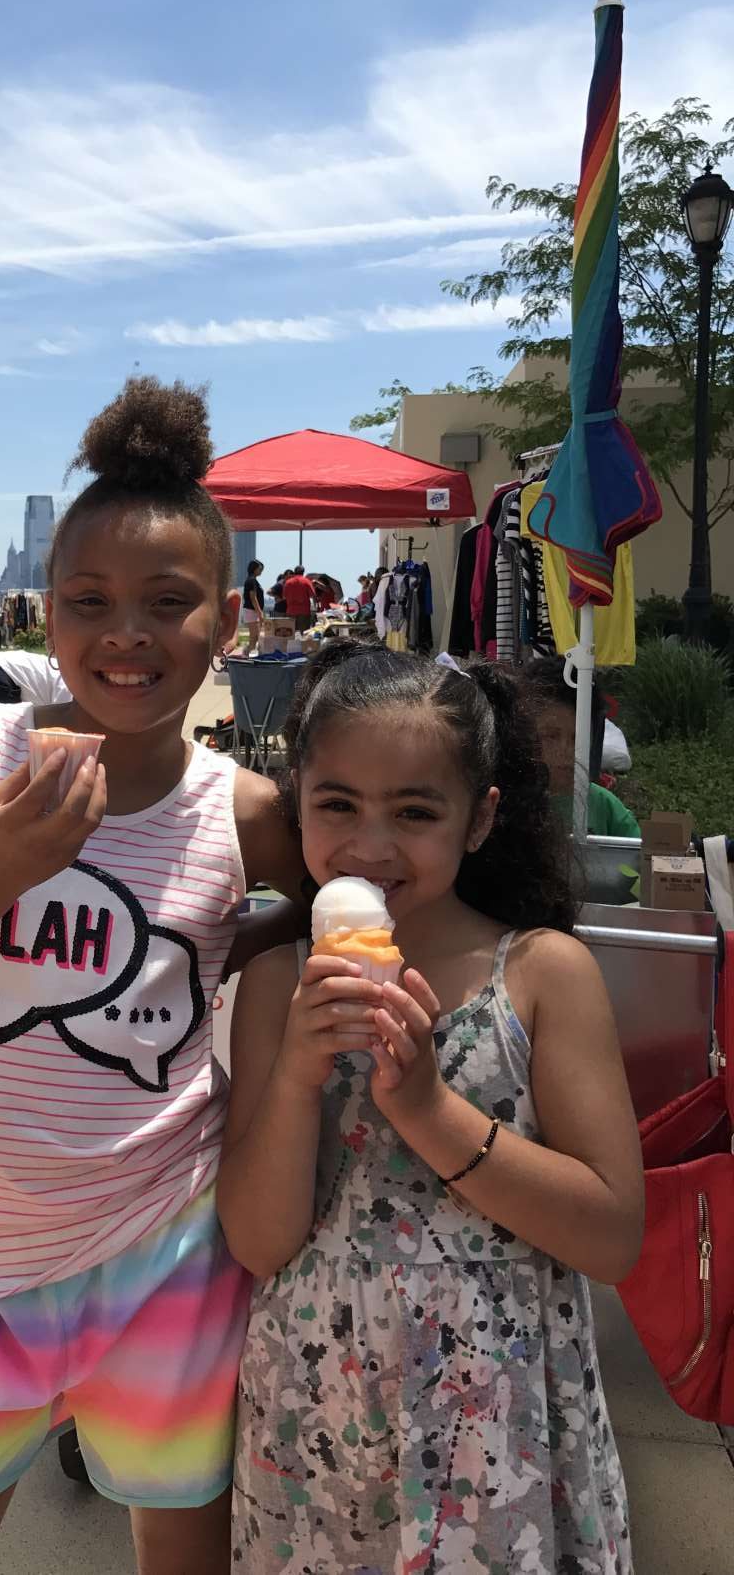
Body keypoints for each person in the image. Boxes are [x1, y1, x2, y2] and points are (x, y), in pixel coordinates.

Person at [0, 375, 311, 1575]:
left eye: (167, 601)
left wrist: (225, 950)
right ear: (47, 616)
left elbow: (291, 934)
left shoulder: (243, 812)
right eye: (88, 601)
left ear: (227, 623)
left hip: (166, 1263)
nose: (124, 634)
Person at [218, 644, 641, 1571]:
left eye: (415, 811)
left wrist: (428, 1108)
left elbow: (612, 1234)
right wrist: (294, 1074)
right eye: (338, 805)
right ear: (298, 803)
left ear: (479, 819)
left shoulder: (540, 975)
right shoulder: (272, 985)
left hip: (503, 1429)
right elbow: (256, 1241)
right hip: (315, 1419)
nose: (371, 845)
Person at [520, 656, 641, 839]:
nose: (566, 750)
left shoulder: (606, 808)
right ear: (524, 732)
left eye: (578, 738)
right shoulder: (508, 804)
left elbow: (638, 859)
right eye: (551, 736)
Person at [239, 559, 265, 654]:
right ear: (254, 569)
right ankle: (246, 655)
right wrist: (260, 613)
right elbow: (253, 598)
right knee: (254, 637)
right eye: (260, 569)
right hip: (251, 611)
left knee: (255, 637)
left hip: (252, 611)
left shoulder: (252, 580)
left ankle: (247, 654)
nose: (261, 571)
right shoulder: (251, 580)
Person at [281, 565, 315, 632]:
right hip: (304, 611)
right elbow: (312, 595)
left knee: (290, 633)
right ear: (303, 572)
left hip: (291, 611)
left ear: (294, 572)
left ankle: (291, 643)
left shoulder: (288, 582)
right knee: (305, 634)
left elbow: (284, 597)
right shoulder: (306, 581)